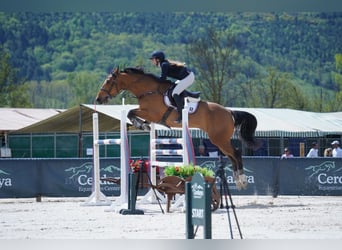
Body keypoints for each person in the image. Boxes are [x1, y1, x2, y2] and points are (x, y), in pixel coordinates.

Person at [149, 50, 195, 123]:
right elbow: (163, 79)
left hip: (188, 77)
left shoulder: (164, 65)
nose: (152, 61)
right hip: (185, 77)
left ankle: (182, 114)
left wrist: (152, 78)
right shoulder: (163, 64)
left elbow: (162, 79)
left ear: (158, 59)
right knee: (173, 89)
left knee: (174, 93)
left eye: (153, 59)